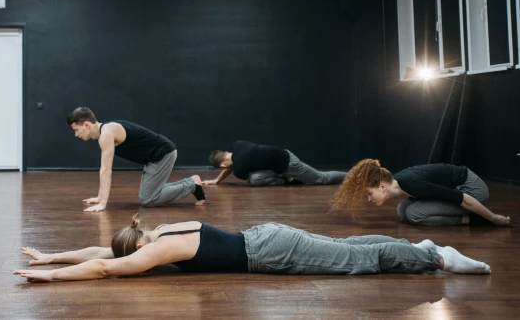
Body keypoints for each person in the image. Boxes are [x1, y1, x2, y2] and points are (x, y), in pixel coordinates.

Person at [13, 215, 491, 282]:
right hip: (266, 235)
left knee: (355, 261)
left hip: (270, 254)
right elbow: (104, 250)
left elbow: (102, 266)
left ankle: (437, 257)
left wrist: (49, 277)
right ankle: (421, 245)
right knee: (347, 246)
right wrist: (53, 255)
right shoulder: (158, 232)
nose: (131, 259)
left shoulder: (155, 252)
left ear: (134, 248)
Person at [67, 107, 205, 212]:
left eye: (76, 129)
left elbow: (106, 170)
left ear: (86, 125)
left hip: (162, 154)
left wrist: (102, 203)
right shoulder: (106, 132)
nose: (75, 135)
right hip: (153, 158)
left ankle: (192, 186)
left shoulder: (106, 134)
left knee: (148, 199)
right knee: (150, 195)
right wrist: (99, 197)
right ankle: (192, 182)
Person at [331, 159, 511, 227]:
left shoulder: (416, 185)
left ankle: (472, 220)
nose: (369, 199)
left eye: (369, 193)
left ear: (382, 187)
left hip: (472, 190)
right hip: (457, 189)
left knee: (413, 213)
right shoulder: (400, 182)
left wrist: (494, 218)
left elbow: (465, 200)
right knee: (402, 211)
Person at [203, 140, 347, 187]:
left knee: (321, 178)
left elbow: (232, 168)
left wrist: (216, 180)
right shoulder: (237, 145)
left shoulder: (239, 169)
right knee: (255, 178)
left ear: (222, 165)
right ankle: (285, 178)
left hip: (289, 164)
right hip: (280, 158)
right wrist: (217, 180)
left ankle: (355, 175)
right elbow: (231, 166)